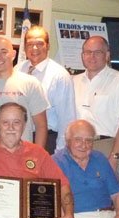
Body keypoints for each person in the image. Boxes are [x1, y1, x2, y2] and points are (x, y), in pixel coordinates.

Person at [72, 36, 119, 173]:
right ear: (82, 56)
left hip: (106, 146)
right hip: (77, 148)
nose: (91, 56)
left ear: (107, 55)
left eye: (97, 52)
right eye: (87, 52)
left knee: (104, 193)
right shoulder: (73, 81)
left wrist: (114, 157)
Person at [16, 26, 76, 154]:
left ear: (48, 46)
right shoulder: (18, 69)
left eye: (39, 43)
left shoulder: (59, 75)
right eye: (30, 44)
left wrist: (60, 153)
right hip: (19, 138)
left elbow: (67, 119)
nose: (35, 48)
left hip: (48, 141)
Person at [0, 37, 49, 148]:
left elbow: (41, 126)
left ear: (13, 54)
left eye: (4, 52)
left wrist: (37, 157)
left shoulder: (30, 83)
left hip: (22, 154)